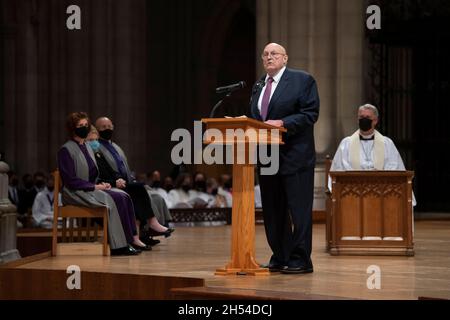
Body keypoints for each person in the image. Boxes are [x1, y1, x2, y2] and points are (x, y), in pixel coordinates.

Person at [249, 43, 320, 274]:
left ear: (285, 58)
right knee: (273, 209)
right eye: (265, 55)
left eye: (274, 54)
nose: (269, 57)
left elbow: (310, 114)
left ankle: (300, 259)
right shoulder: (259, 84)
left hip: (294, 155)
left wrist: (283, 123)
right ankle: (281, 254)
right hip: (268, 157)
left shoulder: (302, 80)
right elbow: (256, 116)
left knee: (297, 210)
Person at [57, 112, 148, 255]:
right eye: (80, 125)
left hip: (90, 188)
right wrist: (94, 186)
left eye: (86, 125)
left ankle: (129, 240)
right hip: (75, 192)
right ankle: (118, 246)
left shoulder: (87, 147)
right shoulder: (66, 150)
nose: (84, 128)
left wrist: (103, 184)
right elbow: (70, 180)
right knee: (113, 199)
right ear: (72, 128)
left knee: (123, 196)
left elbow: (94, 173)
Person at [94, 117, 174, 240]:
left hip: (126, 181)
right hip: (114, 184)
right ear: (97, 129)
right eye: (103, 127)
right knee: (140, 194)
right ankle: (145, 231)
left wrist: (131, 178)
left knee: (156, 197)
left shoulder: (116, 146)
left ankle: (147, 233)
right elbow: (105, 172)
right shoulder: (97, 148)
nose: (107, 129)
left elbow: (124, 166)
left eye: (109, 126)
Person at [329, 104, 416, 203]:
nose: (364, 120)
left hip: (382, 194)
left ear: (375, 121)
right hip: (353, 195)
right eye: (361, 117)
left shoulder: (387, 143)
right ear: (357, 120)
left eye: (368, 117)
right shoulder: (346, 144)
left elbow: (396, 170)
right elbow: (338, 170)